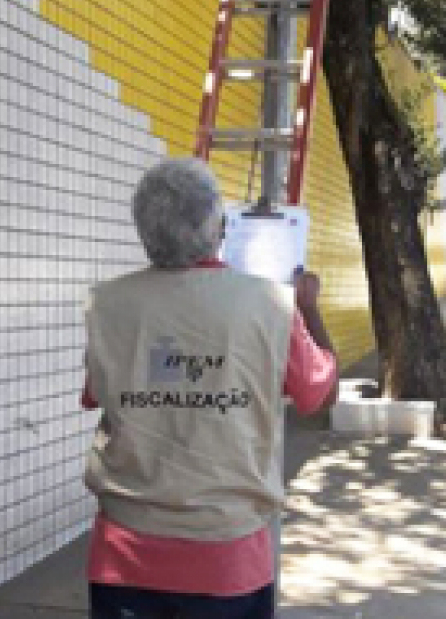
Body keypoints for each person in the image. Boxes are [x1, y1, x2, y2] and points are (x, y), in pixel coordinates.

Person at [81, 158, 339, 619]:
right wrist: (309, 308)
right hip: (227, 557)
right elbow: (318, 395)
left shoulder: (107, 303)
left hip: (124, 552)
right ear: (218, 226)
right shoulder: (270, 305)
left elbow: (98, 395)